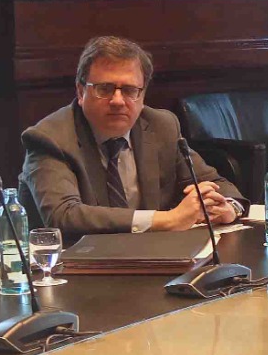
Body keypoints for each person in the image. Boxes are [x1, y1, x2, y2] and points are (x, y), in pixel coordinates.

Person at [21, 36, 244, 236]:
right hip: (72, 268)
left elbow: (214, 183)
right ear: (81, 92)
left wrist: (227, 208)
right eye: (105, 88)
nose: (118, 101)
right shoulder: (49, 138)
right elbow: (64, 216)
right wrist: (168, 219)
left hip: (153, 263)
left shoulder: (161, 126)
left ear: (142, 95)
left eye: (129, 90)